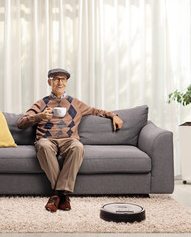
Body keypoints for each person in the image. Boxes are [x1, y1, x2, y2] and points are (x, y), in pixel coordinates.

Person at [17, 68, 123, 212]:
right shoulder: (41, 103)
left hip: (69, 140)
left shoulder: (75, 103)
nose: (60, 82)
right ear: (49, 82)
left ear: (66, 83)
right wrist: (39, 117)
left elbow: (96, 111)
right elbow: (21, 123)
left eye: (63, 79)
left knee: (78, 147)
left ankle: (56, 195)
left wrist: (113, 115)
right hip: (47, 140)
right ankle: (63, 195)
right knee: (43, 146)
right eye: (56, 79)